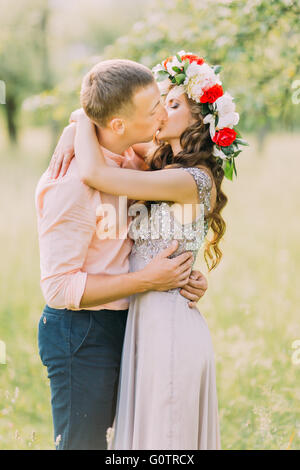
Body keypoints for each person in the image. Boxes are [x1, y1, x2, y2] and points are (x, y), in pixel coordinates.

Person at [54, 50, 245, 449]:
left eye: (172, 104)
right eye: (159, 102)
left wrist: (81, 120)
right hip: (144, 319)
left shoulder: (190, 179)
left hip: (168, 324)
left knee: (165, 442)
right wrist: (78, 123)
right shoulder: (161, 163)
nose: (160, 110)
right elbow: (117, 132)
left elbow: (95, 172)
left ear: (199, 124)